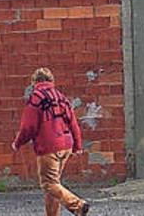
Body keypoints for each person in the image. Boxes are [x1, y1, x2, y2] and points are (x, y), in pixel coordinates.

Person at [12, 67, 90, 216]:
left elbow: (28, 126)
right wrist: (77, 145)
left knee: (49, 184)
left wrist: (18, 142)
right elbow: (72, 122)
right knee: (54, 186)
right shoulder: (61, 97)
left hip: (48, 147)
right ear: (51, 81)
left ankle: (78, 205)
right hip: (66, 145)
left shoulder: (36, 97)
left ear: (34, 81)